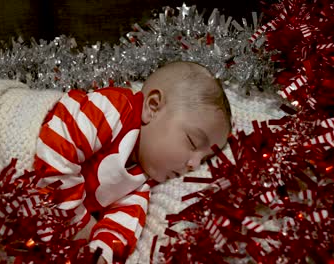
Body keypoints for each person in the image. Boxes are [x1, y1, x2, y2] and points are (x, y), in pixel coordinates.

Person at [33, 61, 232, 263]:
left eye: (206, 158)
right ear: (153, 107)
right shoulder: (115, 109)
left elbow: (121, 229)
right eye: (192, 141)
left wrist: (99, 256)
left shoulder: (142, 183)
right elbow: (57, 146)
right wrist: (78, 222)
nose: (195, 164)